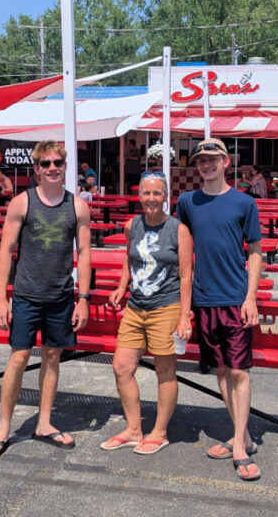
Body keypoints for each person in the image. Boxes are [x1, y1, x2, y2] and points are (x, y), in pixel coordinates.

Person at [0, 140, 92, 461]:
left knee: (53, 357)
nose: (52, 168)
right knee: (18, 358)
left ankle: (44, 423)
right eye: (46, 164)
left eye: (57, 162)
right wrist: (1, 296)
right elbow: (6, 250)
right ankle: (4, 428)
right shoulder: (21, 202)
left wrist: (82, 297)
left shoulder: (78, 206)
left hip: (61, 296)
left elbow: (84, 253)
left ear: (65, 166)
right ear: (36, 169)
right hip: (27, 295)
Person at [176, 137, 263, 482]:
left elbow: (255, 251)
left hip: (234, 299)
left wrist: (251, 297)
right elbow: (181, 247)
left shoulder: (244, 203)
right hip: (203, 300)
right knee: (223, 371)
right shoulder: (186, 202)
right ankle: (244, 437)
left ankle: (239, 446)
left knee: (239, 372)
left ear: (226, 162)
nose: (206, 164)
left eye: (213, 159)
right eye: (200, 160)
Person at [102, 171, 192, 455]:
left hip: (166, 308)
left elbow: (187, 276)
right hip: (135, 307)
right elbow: (130, 259)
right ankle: (133, 429)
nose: (151, 198)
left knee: (165, 372)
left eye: (156, 193)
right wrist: (121, 286)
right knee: (122, 368)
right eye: (146, 193)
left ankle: (160, 431)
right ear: (139, 195)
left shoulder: (178, 229)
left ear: (166, 197)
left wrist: (183, 316)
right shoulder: (133, 225)